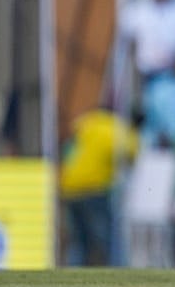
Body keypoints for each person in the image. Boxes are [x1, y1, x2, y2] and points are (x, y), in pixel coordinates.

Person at [59, 104, 139, 266]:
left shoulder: (86, 124)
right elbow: (131, 153)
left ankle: (73, 274)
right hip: (93, 188)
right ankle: (120, 270)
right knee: (106, 236)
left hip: (69, 187)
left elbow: (69, 148)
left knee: (79, 239)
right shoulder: (116, 129)